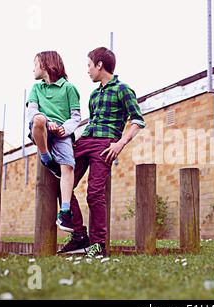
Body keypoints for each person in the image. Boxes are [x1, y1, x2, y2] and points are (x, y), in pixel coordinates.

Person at [57, 47, 146, 257]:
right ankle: (79, 235)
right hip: (85, 141)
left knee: (94, 193)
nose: (87, 70)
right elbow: (91, 123)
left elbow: (138, 121)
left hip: (105, 145)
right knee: (61, 182)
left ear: (99, 65)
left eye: (89, 65)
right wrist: (72, 140)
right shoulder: (94, 94)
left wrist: (119, 144)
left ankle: (98, 245)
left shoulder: (123, 89)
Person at [27, 51, 81, 233]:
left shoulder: (69, 88)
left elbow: (76, 117)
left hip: (62, 132)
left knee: (68, 166)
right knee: (39, 119)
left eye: (35, 64)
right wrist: (47, 122)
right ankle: (45, 156)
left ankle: (65, 212)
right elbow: (32, 112)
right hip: (42, 128)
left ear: (45, 64)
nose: (33, 68)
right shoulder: (36, 89)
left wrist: (64, 128)